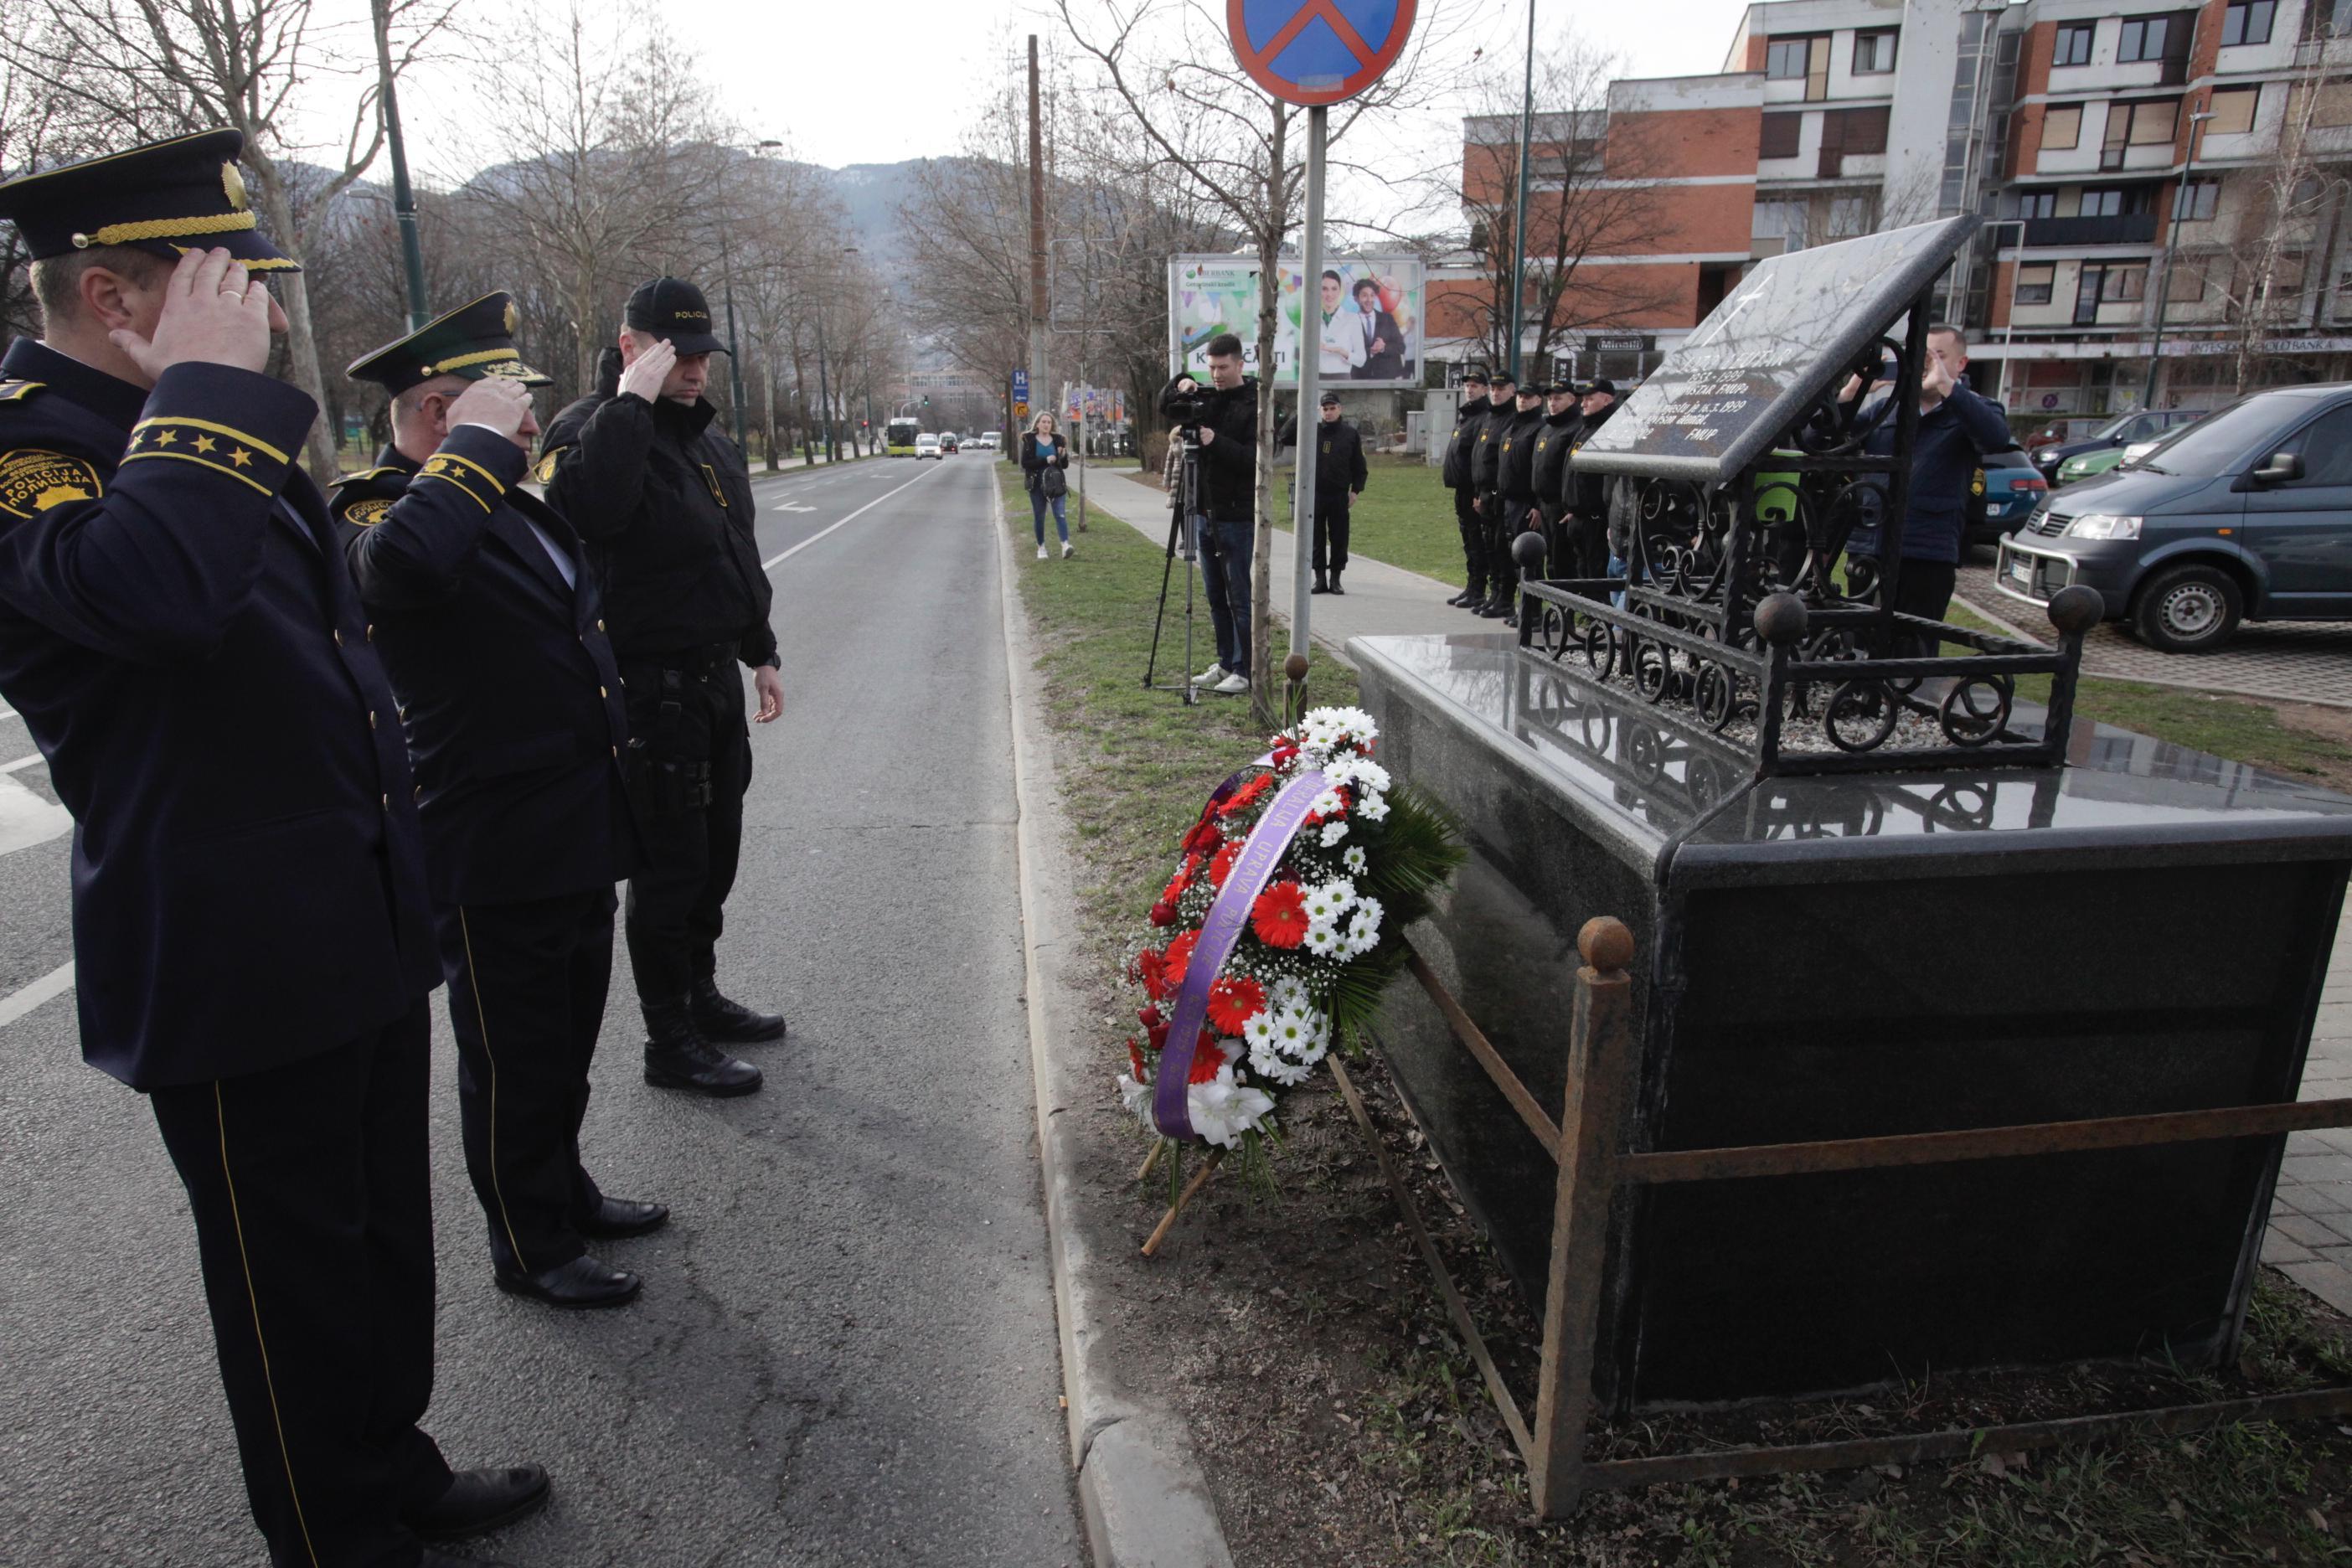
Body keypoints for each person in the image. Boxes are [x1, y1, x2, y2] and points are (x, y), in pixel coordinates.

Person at [0, 129, 546, 1568]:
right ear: (120, 300)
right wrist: (202, 389)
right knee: (287, 1274)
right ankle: (331, 1531)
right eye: (233, 283)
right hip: (229, 947)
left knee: (377, 1239)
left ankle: (392, 1463)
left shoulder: (198, 421)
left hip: (350, 907)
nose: (274, 313)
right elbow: (155, 595)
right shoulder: (30, 448)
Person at [337, 293, 663, 1312]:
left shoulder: (508, 497)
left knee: (564, 1042)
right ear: (443, 415)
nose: (533, 427)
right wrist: (470, 455)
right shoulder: (380, 506)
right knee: (513, 1057)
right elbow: (401, 574)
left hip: (570, 823)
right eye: (512, 408)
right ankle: (529, 1241)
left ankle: (563, 1188)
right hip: (493, 839)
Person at [540, 276, 787, 1099]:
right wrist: (631, 406)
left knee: (717, 855)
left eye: (700, 356)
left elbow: (734, 549)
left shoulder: (707, 438)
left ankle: (702, 995)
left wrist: (762, 650)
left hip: (713, 677)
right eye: (674, 354)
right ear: (631, 347)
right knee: (670, 868)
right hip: (651, 692)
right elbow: (587, 510)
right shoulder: (594, 432)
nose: (692, 370)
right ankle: (668, 1037)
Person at [1830, 325, 2010, 648]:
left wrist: (1946, 387)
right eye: (1921, 356)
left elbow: (1995, 438)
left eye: (1938, 356)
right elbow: (1822, 438)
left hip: (1926, 553)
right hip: (1870, 547)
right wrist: (1852, 391)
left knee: (1911, 653)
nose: (1927, 364)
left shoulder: (1973, 409)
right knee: (1856, 646)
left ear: (1961, 364)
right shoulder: (1887, 411)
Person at [1158, 332, 1259, 696]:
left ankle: (1246, 669)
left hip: (1236, 515)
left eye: (1222, 367)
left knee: (1238, 596)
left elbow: (1256, 461)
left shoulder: (1255, 402)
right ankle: (1226, 661)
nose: (1216, 375)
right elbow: (1165, 406)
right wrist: (1180, 382)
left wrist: (1216, 441)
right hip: (1201, 510)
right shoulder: (1208, 396)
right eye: (1211, 367)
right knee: (1215, 595)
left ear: (1240, 364)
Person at [1277, 389, 1368, 595]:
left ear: (1340, 409)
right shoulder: (1311, 430)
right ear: (1320, 411)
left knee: (1339, 537)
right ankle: (1319, 579)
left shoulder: (1350, 434)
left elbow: (1359, 466)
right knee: (1315, 537)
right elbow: (1284, 436)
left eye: (1332, 408)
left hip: (1339, 494)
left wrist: (1356, 491)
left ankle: (1336, 578)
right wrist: (1304, 412)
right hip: (1313, 494)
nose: (1328, 413)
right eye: (1324, 409)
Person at [1488, 379, 1549, 626]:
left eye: (1528, 397)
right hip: (1507, 502)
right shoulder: (1513, 427)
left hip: (1526, 504)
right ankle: (1518, 604)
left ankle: (1533, 611)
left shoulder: (1538, 428)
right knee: (1511, 557)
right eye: (1521, 396)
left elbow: (1538, 470)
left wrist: (1537, 504)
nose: (1523, 400)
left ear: (1538, 400)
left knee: (1529, 558)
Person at [1467, 370, 1517, 614]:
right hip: (1484, 493)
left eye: (1501, 389)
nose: (1496, 393)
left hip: (1499, 494)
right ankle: (1494, 594)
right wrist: (1478, 493)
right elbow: (1480, 457)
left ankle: (1505, 598)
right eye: (1494, 389)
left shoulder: (1511, 418)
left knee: (1501, 548)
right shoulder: (1489, 418)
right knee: (1489, 547)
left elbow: (1503, 463)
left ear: (1512, 391)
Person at [1440, 369, 1492, 607]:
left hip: (1473, 491)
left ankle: (1479, 589)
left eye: (1475, 386)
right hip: (1461, 489)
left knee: (1476, 540)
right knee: (1468, 540)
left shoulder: (1483, 416)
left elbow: (1480, 459)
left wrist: (1477, 493)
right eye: (1467, 386)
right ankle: (1472, 586)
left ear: (1485, 389)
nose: (1470, 389)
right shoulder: (1466, 416)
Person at [1570, 379, 1622, 595]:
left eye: (1590, 399)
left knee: (1597, 573)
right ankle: (1590, 618)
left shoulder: (1610, 429)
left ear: (1607, 399)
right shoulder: (1585, 428)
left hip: (1597, 518)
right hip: (1578, 515)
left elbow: (1610, 480)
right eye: (1583, 399)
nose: (1584, 404)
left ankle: (1599, 622)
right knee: (1583, 571)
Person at [1529, 380, 1585, 578]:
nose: (1552, 403)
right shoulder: (1546, 429)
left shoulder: (1575, 429)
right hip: (1544, 505)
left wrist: (1569, 505)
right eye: (1550, 399)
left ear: (1572, 399)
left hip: (1560, 506)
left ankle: (1564, 605)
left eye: (1558, 398)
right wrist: (1536, 504)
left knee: (1562, 559)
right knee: (1550, 558)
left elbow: (1570, 473)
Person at [1020, 410, 1073, 560]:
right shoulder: (1030, 440)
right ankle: (1041, 547)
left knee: (1060, 514)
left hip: (1055, 482)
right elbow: (1025, 463)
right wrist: (1045, 460)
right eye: (1043, 422)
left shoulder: (1058, 440)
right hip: (1036, 483)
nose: (1046, 424)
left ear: (1052, 425)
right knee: (1039, 516)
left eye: (1049, 422)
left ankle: (1065, 545)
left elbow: (1065, 465)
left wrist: (1062, 455)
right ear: (1037, 424)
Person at [1349, 278, 1406, 381]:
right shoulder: (1350, 322)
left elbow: (1401, 347)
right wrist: (1370, 352)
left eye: (1372, 295)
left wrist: (1383, 348)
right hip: (1360, 380)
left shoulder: (1387, 319)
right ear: (1356, 299)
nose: (1369, 300)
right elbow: (1347, 352)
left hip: (1386, 380)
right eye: (1364, 295)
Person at [1313, 269, 1367, 379]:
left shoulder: (1352, 318)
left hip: (1342, 379)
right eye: (1324, 289)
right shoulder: (1312, 319)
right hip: (1316, 380)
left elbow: (1361, 359)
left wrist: (1342, 351)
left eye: (1334, 289)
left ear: (1339, 291)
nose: (1329, 294)